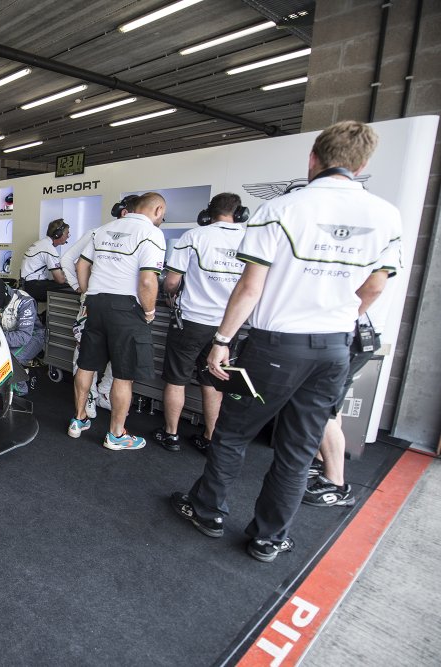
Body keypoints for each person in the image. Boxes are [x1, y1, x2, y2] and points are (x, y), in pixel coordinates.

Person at [170, 120, 402, 563]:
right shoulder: (386, 215)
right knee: (298, 449)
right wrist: (336, 317)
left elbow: (250, 288)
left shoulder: (280, 209)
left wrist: (222, 340)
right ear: (362, 164)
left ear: (313, 158)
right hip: (334, 348)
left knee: (232, 434)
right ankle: (269, 538)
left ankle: (207, 511)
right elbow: (374, 287)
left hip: (275, 347)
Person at [70, 192, 166, 449]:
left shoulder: (103, 229)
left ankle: (78, 420)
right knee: (124, 376)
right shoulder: (151, 233)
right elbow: (148, 280)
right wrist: (149, 311)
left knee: (86, 365)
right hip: (127, 308)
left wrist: (86, 294)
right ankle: (116, 435)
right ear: (157, 210)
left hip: (96, 303)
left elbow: (81, 265)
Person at [154, 193, 247, 453]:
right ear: (240, 213)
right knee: (213, 381)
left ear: (208, 213)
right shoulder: (249, 239)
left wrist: (170, 294)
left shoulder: (194, 236)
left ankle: (171, 435)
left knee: (176, 380)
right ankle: (209, 438)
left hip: (190, 321)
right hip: (227, 327)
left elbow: (171, 282)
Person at [60, 195, 140, 418]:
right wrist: (81, 288)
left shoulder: (104, 232)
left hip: (99, 303)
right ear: (125, 212)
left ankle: (97, 396)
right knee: (103, 352)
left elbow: (68, 260)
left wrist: (82, 289)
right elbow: (69, 260)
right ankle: (97, 396)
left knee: (92, 352)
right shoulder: (105, 233)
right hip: (116, 305)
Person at [304, 314, 380, 507]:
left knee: (321, 409)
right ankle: (322, 462)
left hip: (350, 338)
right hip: (356, 337)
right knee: (331, 408)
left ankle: (335, 484)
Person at [0, 275, 46, 396]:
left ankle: (20, 391)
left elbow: (23, 337)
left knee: (9, 359)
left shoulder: (24, 302)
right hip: (5, 336)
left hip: (33, 336)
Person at [20, 219, 70, 302]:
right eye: (67, 233)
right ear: (58, 234)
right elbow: (60, 280)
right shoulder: (49, 248)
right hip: (34, 286)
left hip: (27, 284)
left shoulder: (42, 243)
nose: (68, 236)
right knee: (71, 288)